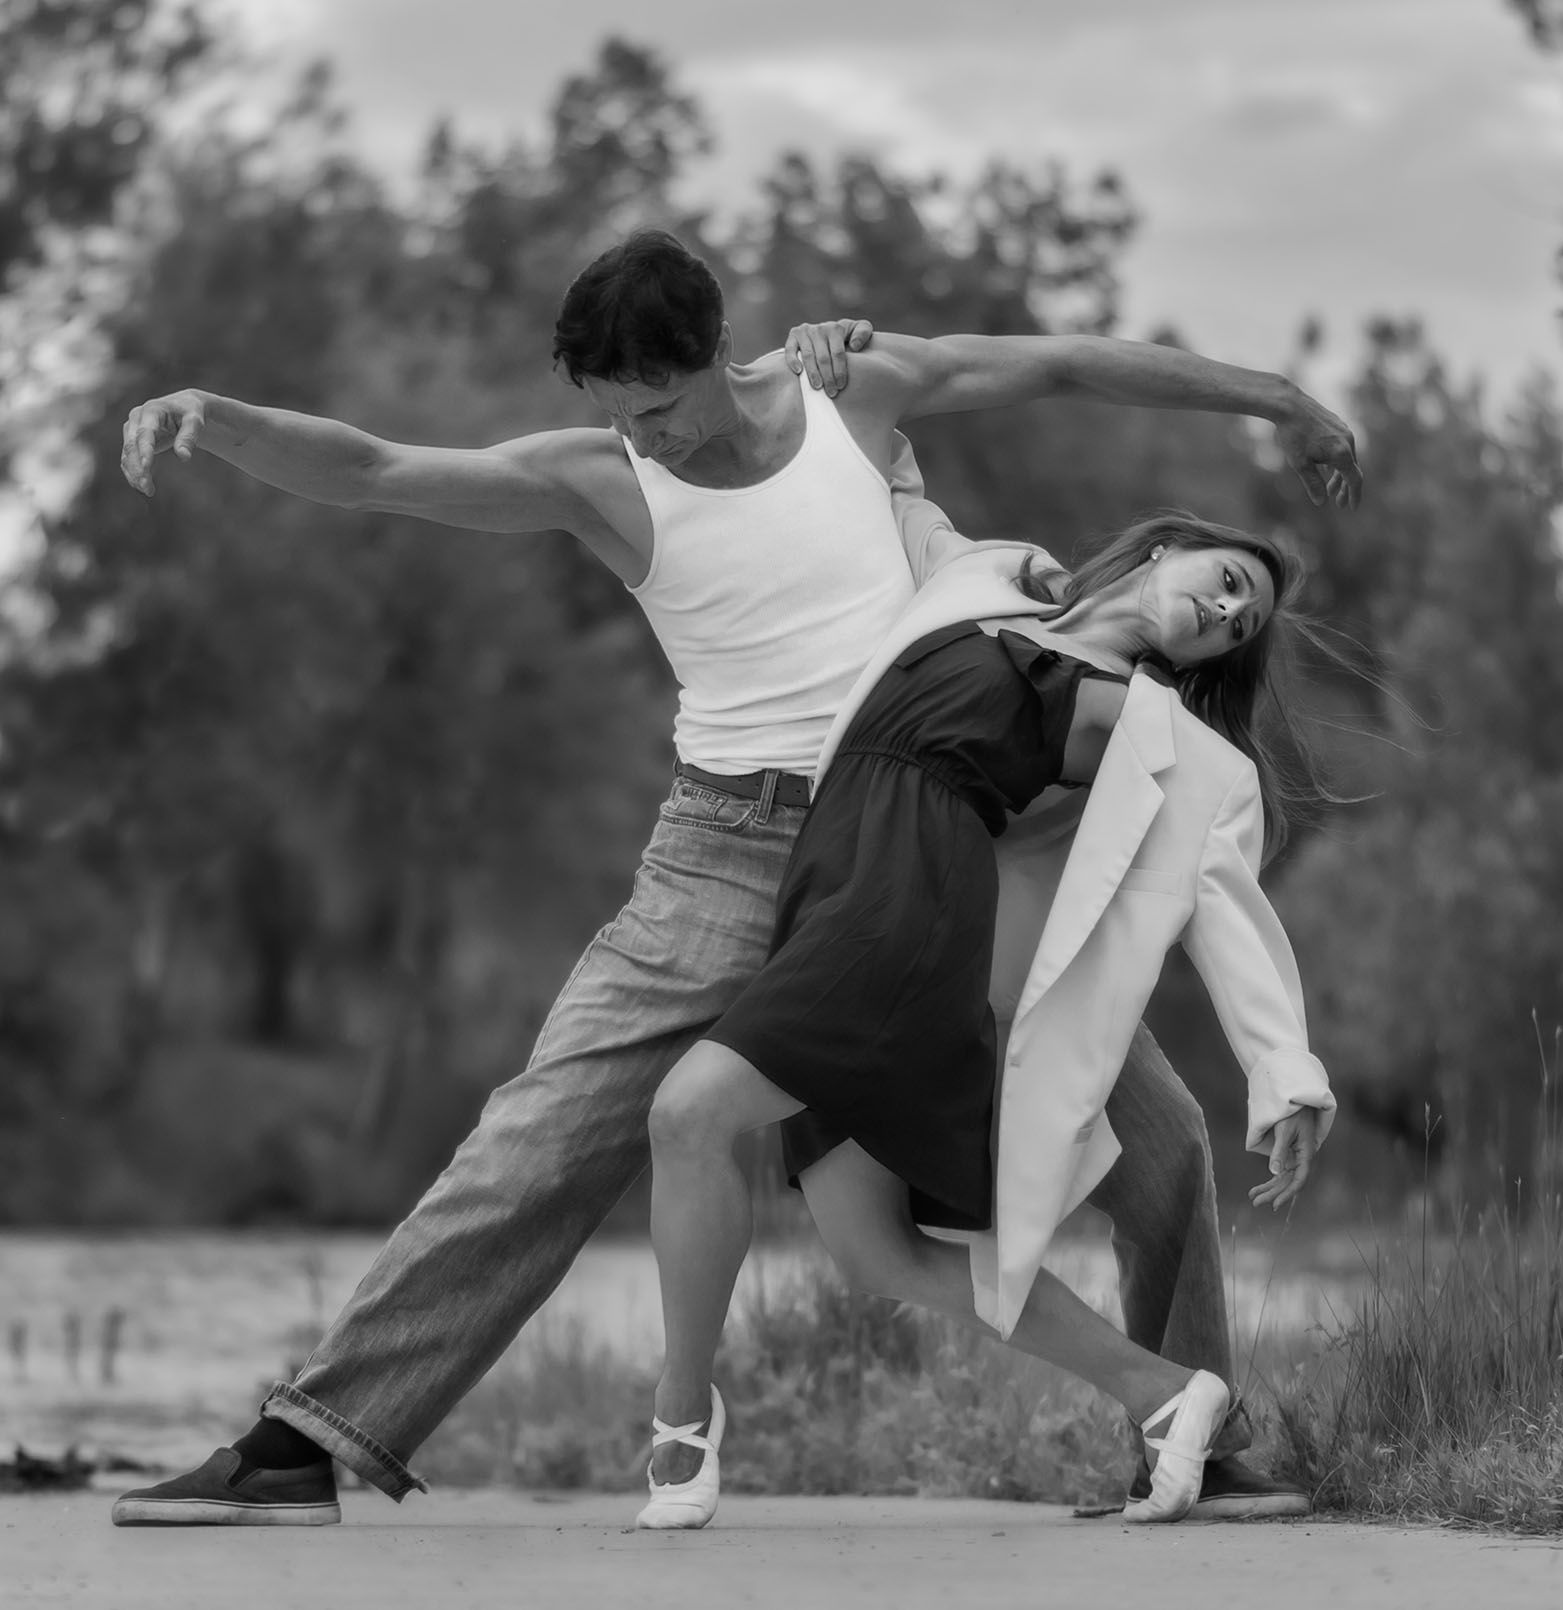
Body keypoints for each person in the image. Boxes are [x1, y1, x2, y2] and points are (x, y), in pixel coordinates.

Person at [107, 228, 1361, 1527]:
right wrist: (220, 419)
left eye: (661, 406)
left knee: (1158, 1148)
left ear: (718, 355)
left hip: (927, 846)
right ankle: (306, 1441)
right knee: (545, 1132)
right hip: (726, 847)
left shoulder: (852, 393)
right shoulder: (600, 478)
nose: (646, 436)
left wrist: (1276, 397)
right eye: (615, 414)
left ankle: (1198, 1439)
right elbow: (377, 466)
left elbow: (1064, 367)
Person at [635, 496, 1336, 1528]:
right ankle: (1164, 1393)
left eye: (1239, 625)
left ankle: (680, 1420)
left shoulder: (1133, 719)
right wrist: (824, 357)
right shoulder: (990, 583)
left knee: (687, 1114)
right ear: (1168, 545)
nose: (1223, 612)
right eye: (1228, 581)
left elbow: (1219, 886)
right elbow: (891, 485)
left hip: (903, 910)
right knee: (874, 1249)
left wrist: (1285, 1070)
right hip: (829, 887)